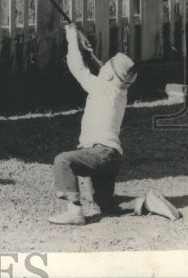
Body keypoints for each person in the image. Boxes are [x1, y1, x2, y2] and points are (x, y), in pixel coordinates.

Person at [49, 24, 138, 225]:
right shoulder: (120, 93)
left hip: (100, 154)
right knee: (105, 205)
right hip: (112, 157)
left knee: (63, 161)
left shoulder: (101, 88)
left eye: (106, 65)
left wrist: (72, 39)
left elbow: (77, 68)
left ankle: (74, 211)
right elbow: (100, 72)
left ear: (107, 75)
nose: (102, 64)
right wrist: (84, 47)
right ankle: (142, 202)